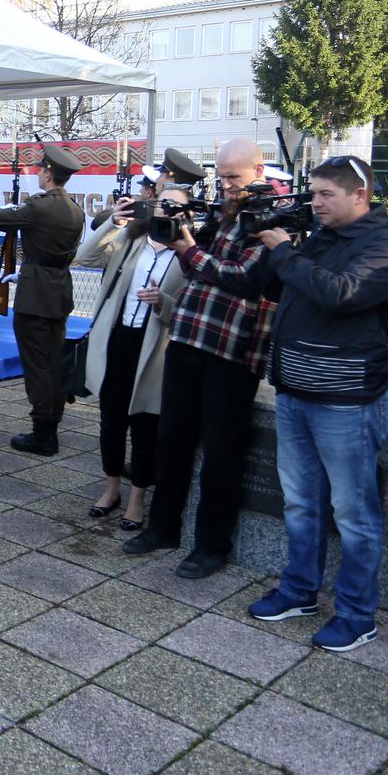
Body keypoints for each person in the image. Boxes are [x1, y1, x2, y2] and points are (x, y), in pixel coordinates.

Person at [247, 155, 388, 651]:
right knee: (300, 502)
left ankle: (358, 615)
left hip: (349, 402)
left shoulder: (385, 244)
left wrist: (284, 253)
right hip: (296, 392)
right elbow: (281, 288)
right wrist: (271, 248)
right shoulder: (319, 237)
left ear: (359, 195)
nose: (314, 203)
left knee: (353, 514)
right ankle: (299, 591)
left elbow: (340, 294)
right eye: (313, 194)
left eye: (325, 195)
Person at [123, 138, 275, 579]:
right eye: (222, 176)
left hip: (233, 348)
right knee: (172, 439)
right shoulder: (225, 212)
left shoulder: (273, 216)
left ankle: (212, 546)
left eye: (234, 177)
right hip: (191, 335)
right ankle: (164, 527)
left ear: (259, 170)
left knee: (222, 453)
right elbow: (198, 270)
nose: (226, 185)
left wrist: (189, 247)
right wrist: (183, 235)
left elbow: (243, 278)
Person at [75, 188, 192, 530]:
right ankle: (111, 489)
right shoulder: (132, 241)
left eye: (173, 207)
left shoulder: (187, 255)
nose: (164, 211)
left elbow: (191, 309)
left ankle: (138, 498)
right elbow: (85, 256)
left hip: (154, 349)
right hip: (117, 341)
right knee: (111, 421)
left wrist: (163, 302)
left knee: (144, 426)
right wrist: (115, 222)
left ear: (185, 214)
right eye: (160, 204)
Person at [0, 144, 86, 456]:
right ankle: (50, 423)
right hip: (58, 290)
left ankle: (43, 433)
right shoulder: (75, 209)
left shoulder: (41, 206)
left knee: (37, 366)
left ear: (47, 173)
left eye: (41, 170)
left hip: (36, 296)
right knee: (52, 361)